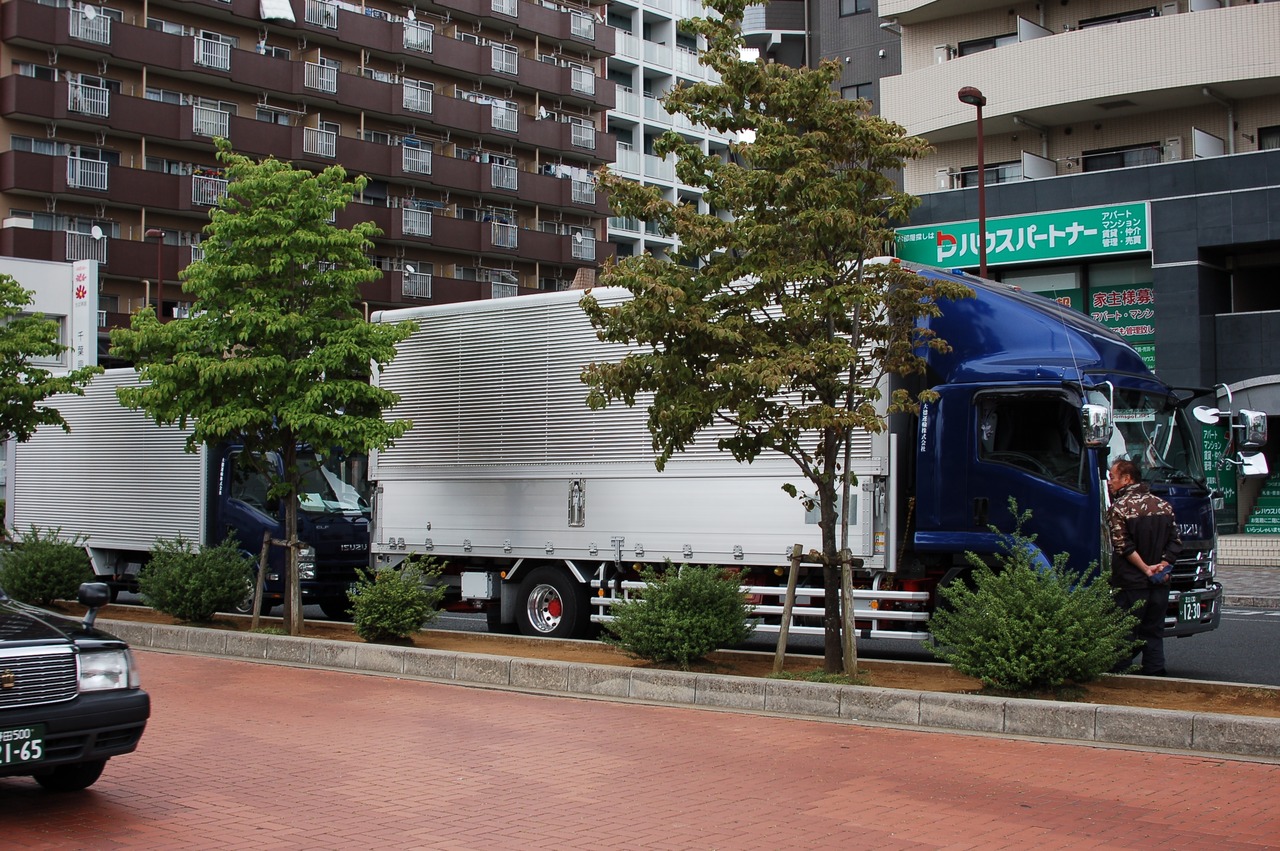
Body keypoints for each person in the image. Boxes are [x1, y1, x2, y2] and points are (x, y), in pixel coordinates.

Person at [1107, 458, 1181, 676]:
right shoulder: (1163, 505)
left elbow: (1123, 546)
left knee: (1125, 634)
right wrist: (1162, 566)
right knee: (1154, 633)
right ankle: (1156, 676)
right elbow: (1175, 542)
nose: (1109, 482)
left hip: (1130, 584)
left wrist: (1146, 568)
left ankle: (1120, 680)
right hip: (1159, 583)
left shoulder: (1119, 508)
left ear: (1126, 479)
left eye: (1112, 477)